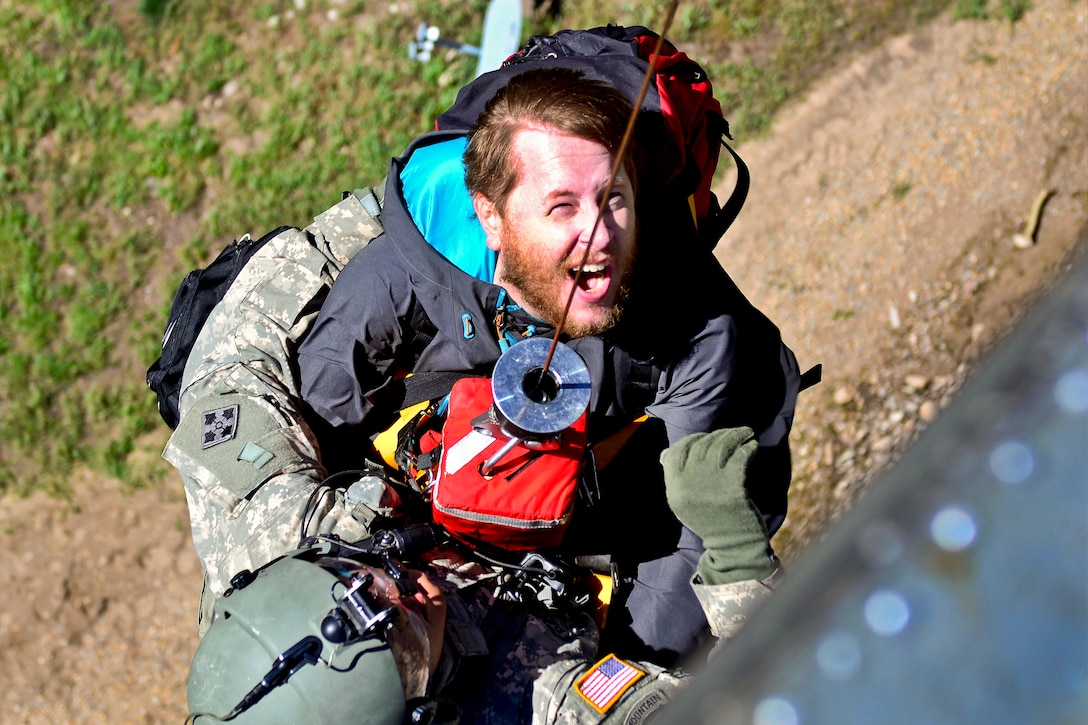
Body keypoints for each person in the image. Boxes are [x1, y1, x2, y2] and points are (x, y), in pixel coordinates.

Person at [295, 67, 800, 667]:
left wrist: (620, 668)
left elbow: (694, 533)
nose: (599, 234)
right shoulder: (400, 284)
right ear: (491, 218)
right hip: (424, 523)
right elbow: (315, 429)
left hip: (610, 498)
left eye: (612, 197)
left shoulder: (696, 325)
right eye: (561, 207)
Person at [187, 425, 781, 725]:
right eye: (403, 638)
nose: (406, 589)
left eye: (354, 580)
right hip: (575, 623)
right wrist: (736, 555)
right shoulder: (527, 703)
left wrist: (410, 220)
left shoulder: (261, 536)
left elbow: (229, 367)